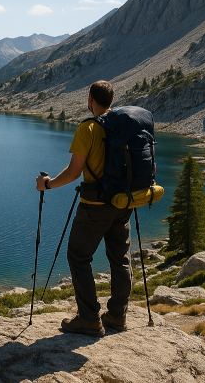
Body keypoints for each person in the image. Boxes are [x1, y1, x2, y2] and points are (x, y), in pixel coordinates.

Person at [36, 80, 132, 337]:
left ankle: (89, 319)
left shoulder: (88, 128)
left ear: (90, 99)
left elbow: (74, 172)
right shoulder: (124, 124)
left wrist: (48, 184)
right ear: (112, 100)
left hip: (95, 206)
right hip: (123, 203)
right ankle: (117, 316)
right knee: (120, 258)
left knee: (78, 257)